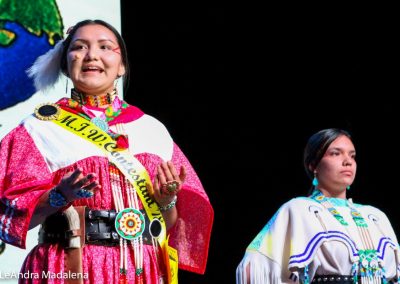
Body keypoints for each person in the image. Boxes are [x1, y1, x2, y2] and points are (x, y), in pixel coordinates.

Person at [0, 19, 213, 283]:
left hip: (141, 270)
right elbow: (14, 217)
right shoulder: (38, 128)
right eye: (79, 47)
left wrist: (166, 200)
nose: (92, 55)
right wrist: (59, 196)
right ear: (65, 63)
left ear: (122, 65)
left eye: (105, 47)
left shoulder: (153, 129)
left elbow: (167, 225)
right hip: (69, 265)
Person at [236, 128, 400, 283]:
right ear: (313, 165)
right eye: (336, 153)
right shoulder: (298, 210)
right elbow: (253, 270)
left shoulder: (376, 216)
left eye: (352, 156)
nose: (347, 162)